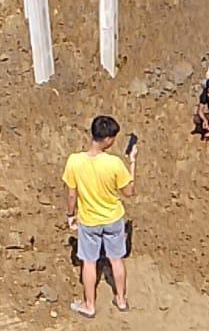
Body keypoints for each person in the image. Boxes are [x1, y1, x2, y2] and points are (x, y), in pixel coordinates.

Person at [63, 115, 137, 318]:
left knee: (89, 262)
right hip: (113, 218)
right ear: (108, 140)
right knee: (116, 260)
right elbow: (129, 192)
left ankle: (89, 305)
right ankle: (121, 300)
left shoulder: (74, 161)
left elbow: (71, 194)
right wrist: (132, 163)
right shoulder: (114, 163)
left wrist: (71, 214)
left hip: (89, 221)